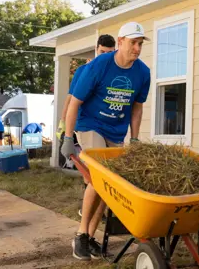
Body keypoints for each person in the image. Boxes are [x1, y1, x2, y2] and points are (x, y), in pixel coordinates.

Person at [61, 22, 151, 261]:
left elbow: (137, 109)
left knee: (109, 184)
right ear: (120, 42)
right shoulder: (98, 66)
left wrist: (135, 138)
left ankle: (90, 237)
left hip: (116, 131)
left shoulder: (142, 73)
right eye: (133, 43)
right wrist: (68, 137)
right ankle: (80, 234)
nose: (137, 48)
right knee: (101, 175)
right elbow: (74, 103)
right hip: (89, 123)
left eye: (140, 44)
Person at [55, 34, 116, 140]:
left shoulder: (117, 74)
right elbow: (70, 99)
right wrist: (63, 123)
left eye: (109, 53)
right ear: (96, 50)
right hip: (88, 125)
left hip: (110, 127)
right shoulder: (83, 70)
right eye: (102, 52)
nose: (105, 56)